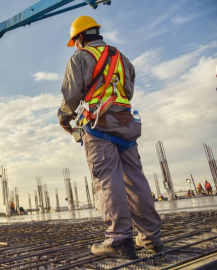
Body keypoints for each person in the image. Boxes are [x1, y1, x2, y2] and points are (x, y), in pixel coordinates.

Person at [58, 16, 163, 258]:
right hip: (126, 123)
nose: (75, 45)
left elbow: (71, 95)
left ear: (81, 37)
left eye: (75, 41)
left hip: (98, 125)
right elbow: (128, 90)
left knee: (108, 180)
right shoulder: (122, 58)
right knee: (135, 180)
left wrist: (64, 118)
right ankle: (152, 238)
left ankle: (119, 240)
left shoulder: (80, 57)